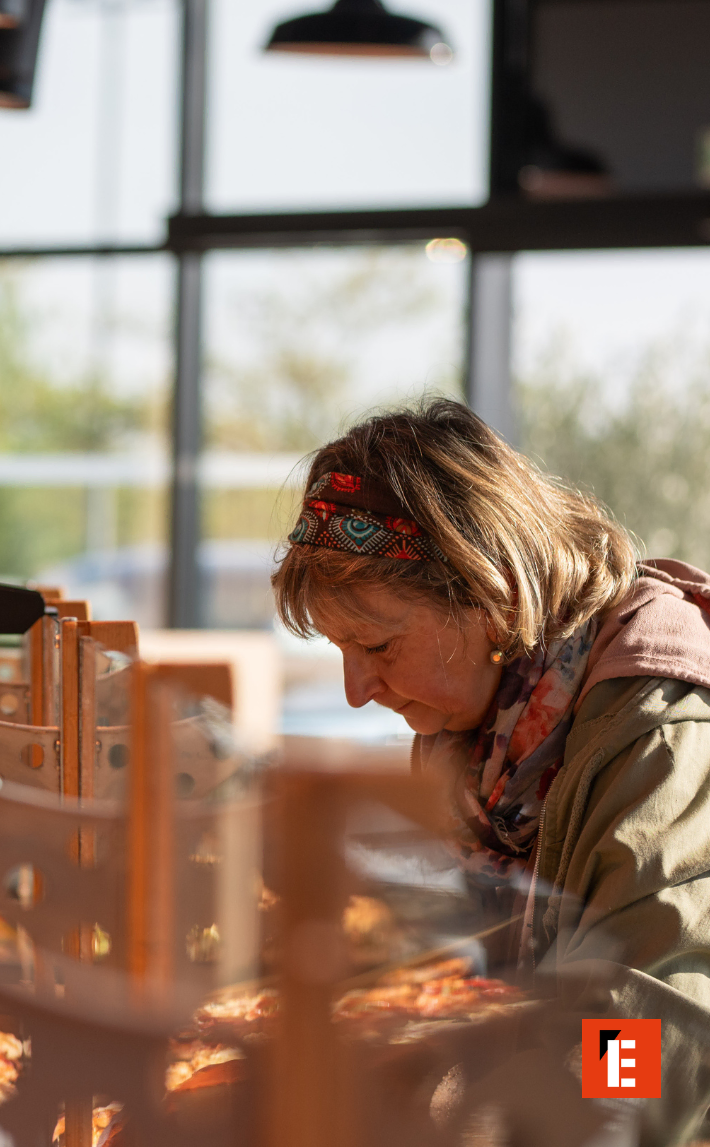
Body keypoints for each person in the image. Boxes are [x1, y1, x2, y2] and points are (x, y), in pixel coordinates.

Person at [273, 399, 710, 1141]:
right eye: (341, 652)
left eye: (377, 648)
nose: (357, 692)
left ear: (491, 597)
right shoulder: (484, 719)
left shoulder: (658, 731)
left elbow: (643, 1033)